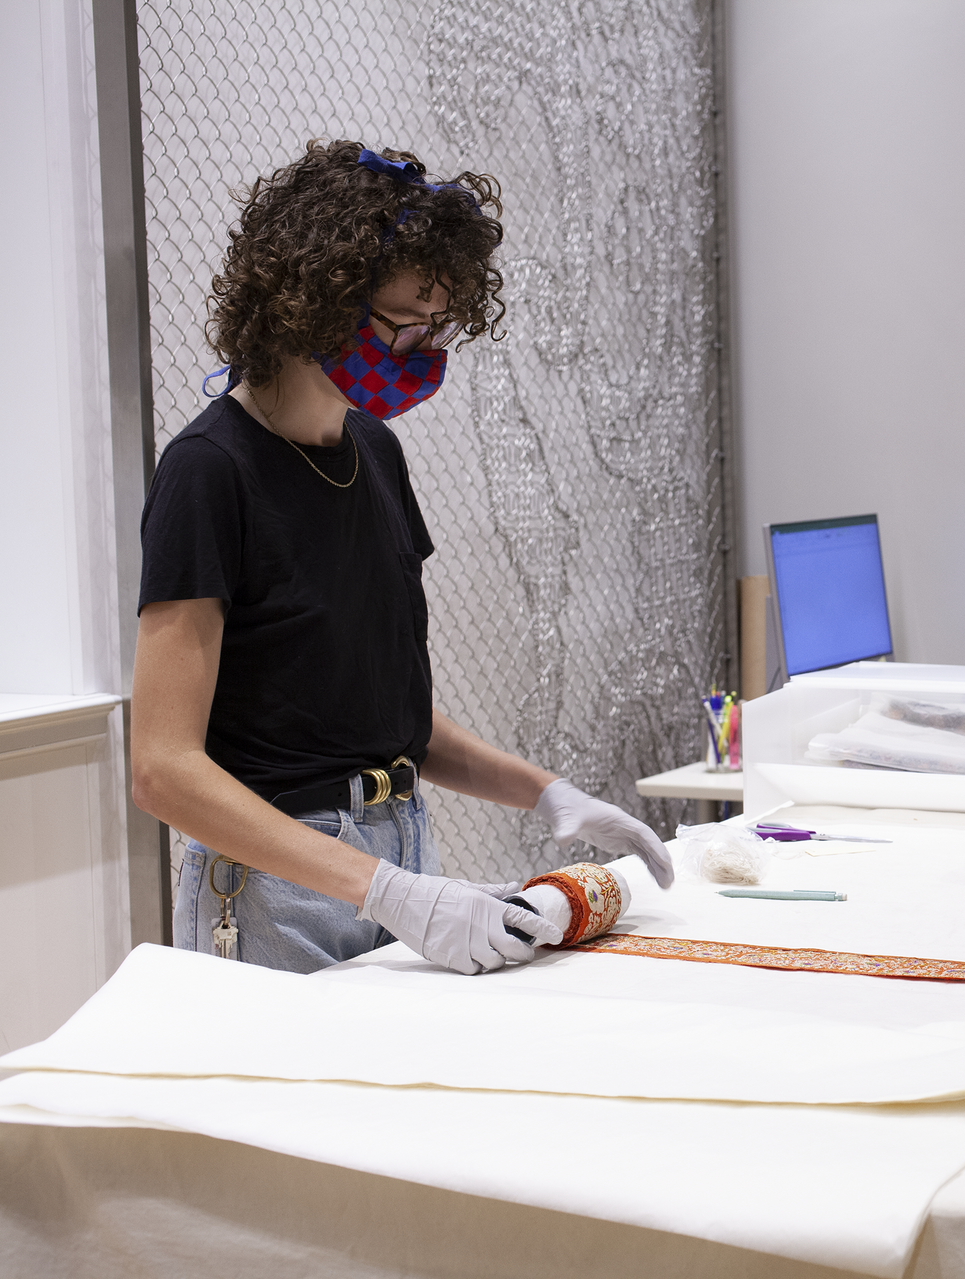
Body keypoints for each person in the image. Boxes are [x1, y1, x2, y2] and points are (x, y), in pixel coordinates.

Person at [132, 140, 674, 976]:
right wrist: (385, 890)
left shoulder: (374, 452)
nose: (425, 348)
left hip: (398, 848)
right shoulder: (209, 472)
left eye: (440, 325)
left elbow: (390, 718)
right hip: (277, 881)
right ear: (316, 299)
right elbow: (164, 770)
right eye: (406, 323)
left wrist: (547, 793)